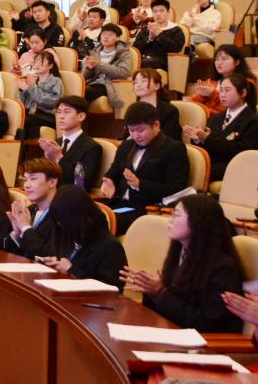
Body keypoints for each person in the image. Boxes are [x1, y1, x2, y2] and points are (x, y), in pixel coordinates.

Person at [121, 194, 244, 332]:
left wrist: (160, 293)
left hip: (204, 340)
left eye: (176, 215)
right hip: (172, 331)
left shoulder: (223, 268)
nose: (170, 220)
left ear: (198, 222)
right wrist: (150, 291)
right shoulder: (180, 252)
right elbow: (170, 308)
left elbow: (207, 324)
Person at [99, 102, 189, 234]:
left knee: (100, 225)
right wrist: (109, 180)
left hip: (147, 209)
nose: (136, 135)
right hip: (119, 204)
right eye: (131, 130)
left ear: (156, 125)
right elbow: (114, 170)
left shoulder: (174, 149)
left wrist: (140, 184)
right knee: (80, 217)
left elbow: (176, 189)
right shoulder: (126, 146)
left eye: (140, 130)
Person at [40, 186, 127, 289]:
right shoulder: (68, 236)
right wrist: (56, 262)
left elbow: (111, 289)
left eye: (64, 221)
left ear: (78, 218)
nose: (60, 225)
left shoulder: (110, 247)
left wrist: (71, 270)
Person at [184, 74, 258, 181]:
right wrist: (198, 139)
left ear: (243, 93)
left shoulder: (252, 121)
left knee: (194, 171)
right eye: (221, 90)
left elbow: (243, 153)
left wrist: (209, 139)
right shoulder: (215, 118)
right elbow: (208, 144)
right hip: (212, 162)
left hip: (233, 166)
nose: (222, 95)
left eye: (227, 90)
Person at [39, 96, 102, 188]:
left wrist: (59, 157)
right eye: (59, 112)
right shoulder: (55, 143)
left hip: (71, 194)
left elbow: (82, 183)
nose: (61, 116)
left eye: (66, 112)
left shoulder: (92, 147)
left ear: (81, 116)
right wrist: (47, 159)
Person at [4, 158, 62, 258]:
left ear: (52, 182)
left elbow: (50, 255)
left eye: (33, 179)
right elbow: (7, 253)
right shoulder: (30, 210)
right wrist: (17, 234)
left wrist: (25, 228)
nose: (26, 185)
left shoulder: (61, 214)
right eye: (25, 180)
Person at [188, 44, 256, 116]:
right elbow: (192, 105)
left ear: (236, 62)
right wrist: (201, 96)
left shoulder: (246, 82)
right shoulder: (211, 81)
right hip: (207, 118)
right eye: (216, 59)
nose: (219, 62)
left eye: (224, 58)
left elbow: (233, 109)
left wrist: (212, 94)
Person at [82, 23, 132, 107]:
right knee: (76, 89)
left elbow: (123, 72)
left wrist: (100, 64)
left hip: (109, 85)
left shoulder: (124, 53)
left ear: (117, 38)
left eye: (110, 35)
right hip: (93, 83)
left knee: (85, 92)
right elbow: (85, 77)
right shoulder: (95, 51)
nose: (106, 37)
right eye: (104, 34)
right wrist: (89, 69)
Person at [19, 52, 64, 139]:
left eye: (41, 61)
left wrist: (31, 87)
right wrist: (22, 89)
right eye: (36, 61)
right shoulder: (33, 79)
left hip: (47, 117)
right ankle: (18, 146)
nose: (37, 64)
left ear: (50, 65)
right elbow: (23, 103)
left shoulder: (56, 81)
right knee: (17, 121)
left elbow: (52, 102)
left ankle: (18, 146)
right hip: (32, 115)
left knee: (22, 121)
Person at [131, 69, 182, 141]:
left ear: (157, 86)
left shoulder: (169, 110)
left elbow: (170, 139)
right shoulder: (133, 109)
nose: (138, 85)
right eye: (135, 82)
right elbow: (126, 137)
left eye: (143, 81)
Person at [133, 0, 184, 70]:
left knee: (146, 63)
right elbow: (135, 48)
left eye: (161, 11)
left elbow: (176, 49)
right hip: (144, 59)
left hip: (163, 63)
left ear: (168, 12)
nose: (158, 14)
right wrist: (150, 38)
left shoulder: (176, 30)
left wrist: (160, 34)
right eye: (155, 11)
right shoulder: (146, 29)